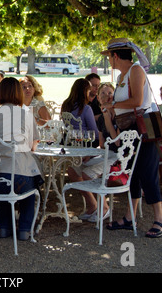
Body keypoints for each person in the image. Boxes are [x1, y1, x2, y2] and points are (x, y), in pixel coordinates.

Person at [100, 38, 162, 238]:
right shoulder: (122, 76)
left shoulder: (136, 71)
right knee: (134, 174)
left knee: (147, 173)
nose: (109, 61)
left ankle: (160, 220)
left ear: (115, 56)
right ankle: (130, 217)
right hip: (128, 131)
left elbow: (138, 100)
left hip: (142, 130)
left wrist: (112, 106)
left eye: (109, 57)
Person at [0, 77, 43, 240]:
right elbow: (33, 146)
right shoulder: (26, 114)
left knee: (2, 174)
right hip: (19, 178)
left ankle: (4, 227)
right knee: (30, 184)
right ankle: (24, 228)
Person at [67, 83, 119, 222]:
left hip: (118, 157)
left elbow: (117, 142)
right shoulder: (101, 118)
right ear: (98, 99)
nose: (107, 96)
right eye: (102, 94)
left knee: (87, 174)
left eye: (110, 93)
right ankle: (92, 206)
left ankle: (105, 207)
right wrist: (90, 154)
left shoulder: (118, 115)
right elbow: (101, 145)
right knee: (72, 170)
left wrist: (108, 117)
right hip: (105, 154)